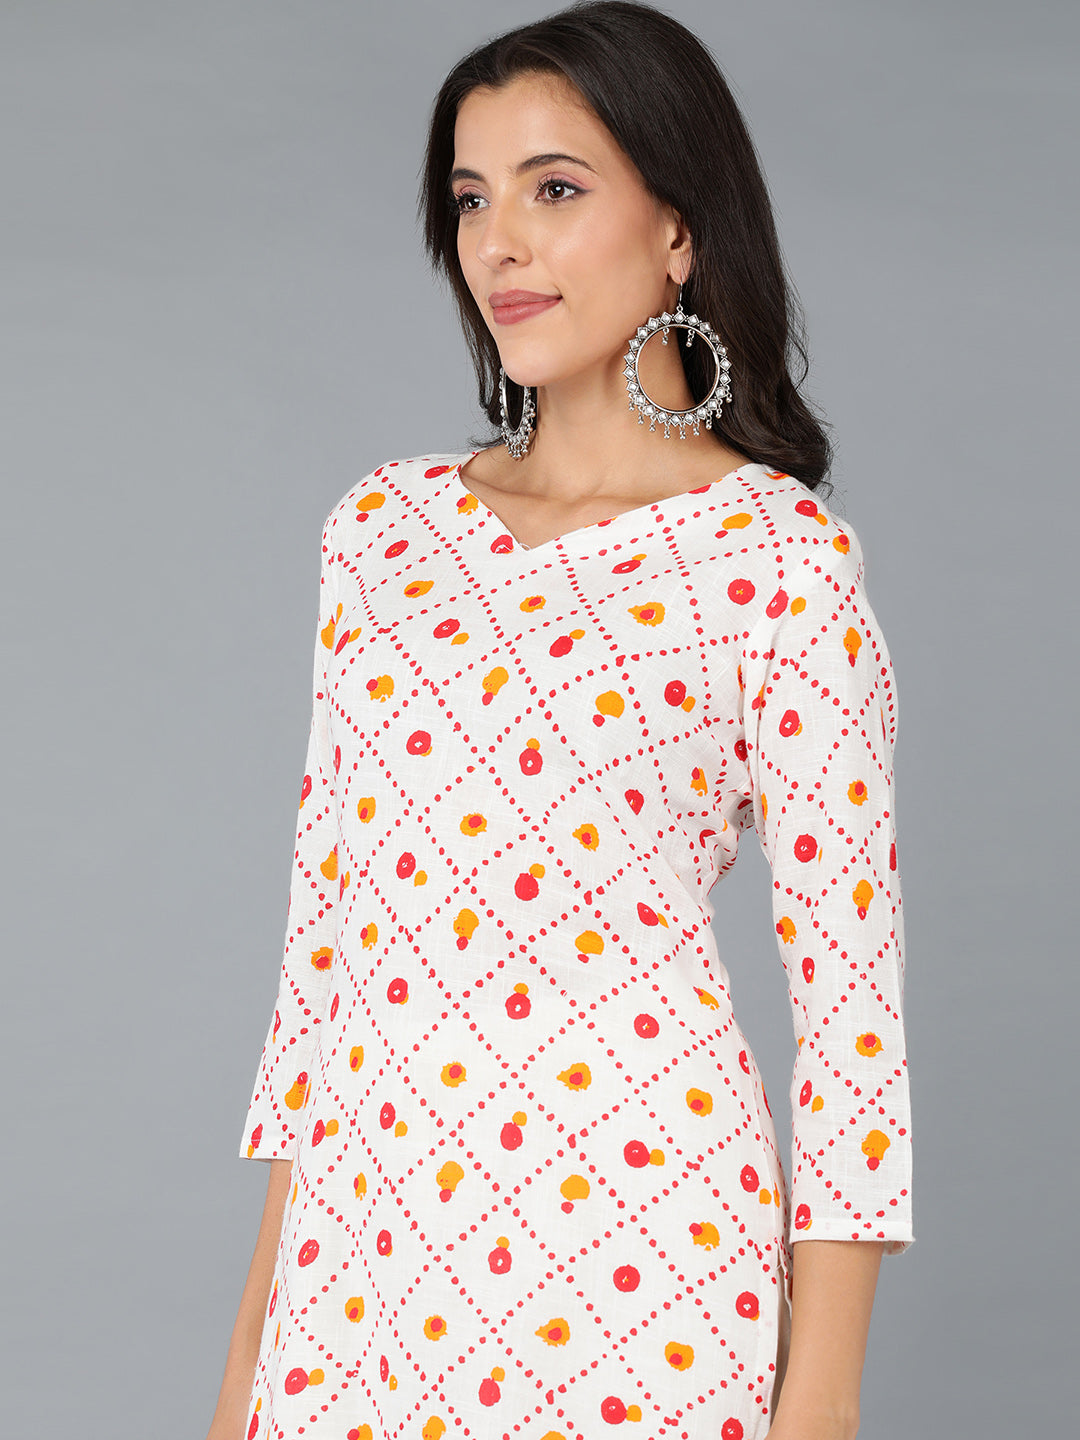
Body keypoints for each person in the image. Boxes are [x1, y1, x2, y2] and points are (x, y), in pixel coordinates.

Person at [206, 5, 914, 1438]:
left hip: (636, 1267)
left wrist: (823, 1402)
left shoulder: (777, 563)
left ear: (679, 229)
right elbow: (324, 974)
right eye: (472, 200)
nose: (501, 244)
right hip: (361, 1276)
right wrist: (246, 1374)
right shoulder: (383, 535)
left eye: (556, 188)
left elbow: (853, 1024)